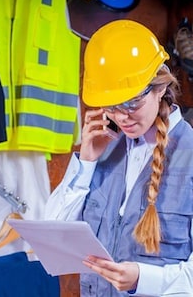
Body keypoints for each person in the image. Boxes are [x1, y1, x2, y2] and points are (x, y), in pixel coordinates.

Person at [45, 19, 193, 296]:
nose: (121, 116)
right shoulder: (104, 150)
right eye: (111, 106)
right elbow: (53, 237)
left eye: (131, 102)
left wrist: (142, 278)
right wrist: (87, 161)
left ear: (160, 87)